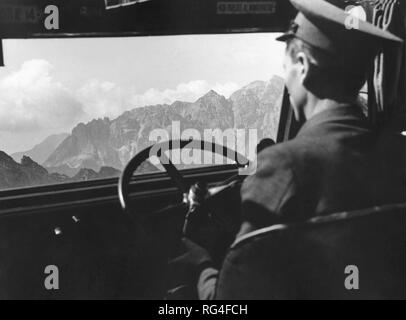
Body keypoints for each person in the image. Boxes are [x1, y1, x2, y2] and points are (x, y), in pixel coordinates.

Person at [172, 0, 405, 300]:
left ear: (303, 67)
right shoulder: (399, 154)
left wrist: (201, 263)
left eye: (287, 70)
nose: (288, 82)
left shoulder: (283, 169)